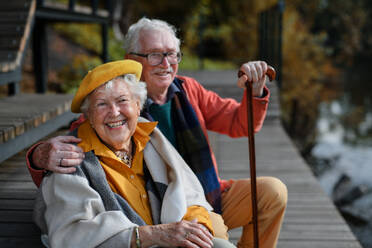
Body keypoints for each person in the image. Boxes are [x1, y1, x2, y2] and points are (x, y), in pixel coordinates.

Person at [28, 18, 287, 247]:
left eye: (172, 54)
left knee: (272, 193)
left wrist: (254, 92)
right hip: (164, 212)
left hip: (204, 193)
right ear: (131, 60)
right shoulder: (114, 106)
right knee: (212, 236)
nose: (166, 63)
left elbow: (240, 123)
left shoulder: (188, 89)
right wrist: (39, 156)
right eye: (154, 55)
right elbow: (74, 159)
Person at [33, 59, 236, 248]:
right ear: (89, 117)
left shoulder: (150, 136)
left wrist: (195, 226)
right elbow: (70, 235)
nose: (114, 112)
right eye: (102, 104)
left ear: (138, 106)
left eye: (122, 101)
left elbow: (189, 192)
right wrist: (150, 235)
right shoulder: (70, 159)